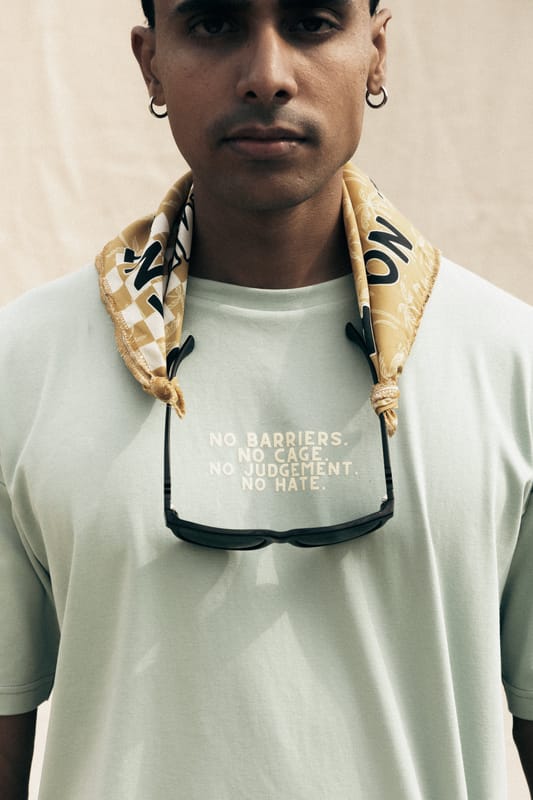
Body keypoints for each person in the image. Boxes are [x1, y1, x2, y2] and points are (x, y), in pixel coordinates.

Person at [0, 0, 532, 797]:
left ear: (376, 51)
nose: (266, 76)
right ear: (150, 63)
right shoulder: (22, 363)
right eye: (213, 25)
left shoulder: (510, 360)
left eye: (311, 22)